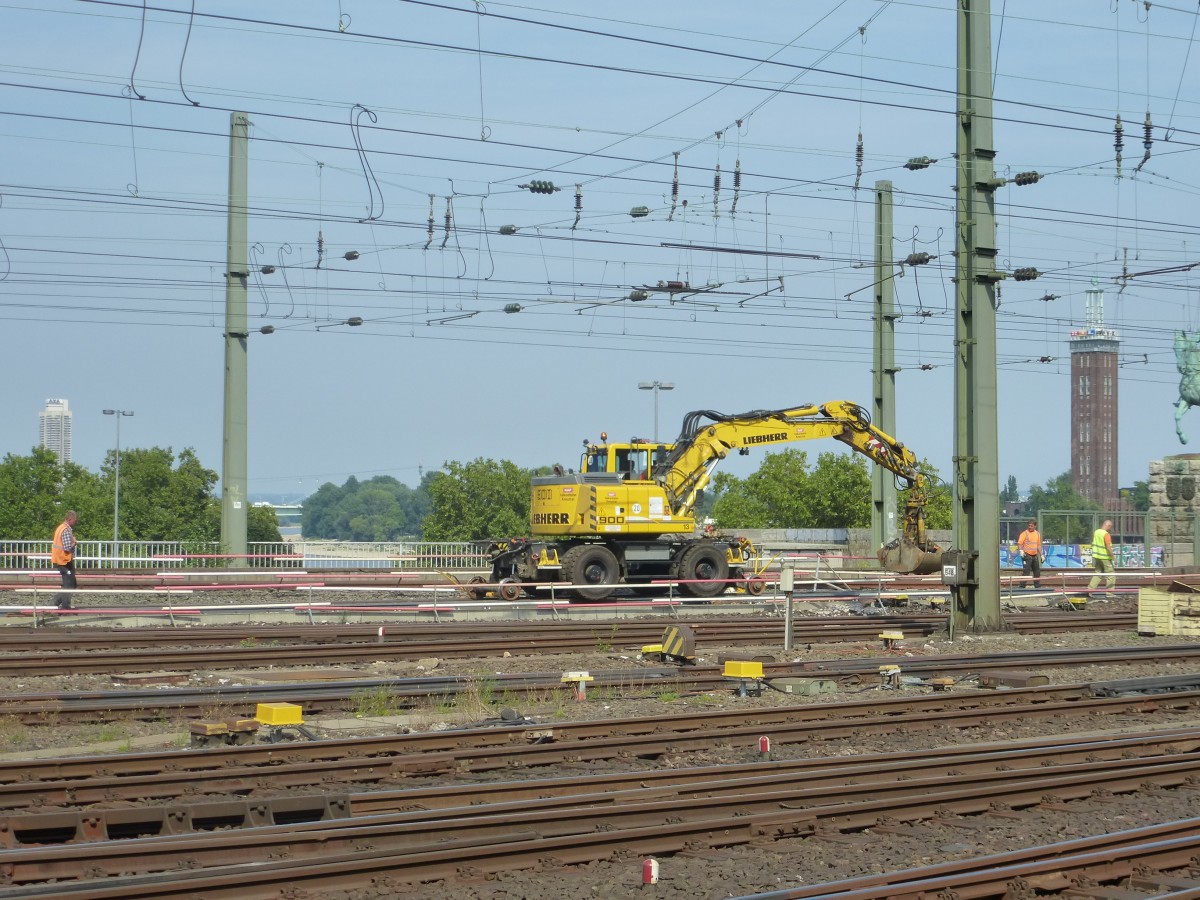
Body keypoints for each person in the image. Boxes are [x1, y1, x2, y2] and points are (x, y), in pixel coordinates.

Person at [51, 510, 78, 610]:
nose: (75, 522)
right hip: (64, 561)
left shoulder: (61, 528)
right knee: (69, 584)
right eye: (75, 520)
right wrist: (74, 543)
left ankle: (56, 603)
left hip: (62, 560)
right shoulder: (66, 530)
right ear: (70, 519)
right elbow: (67, 547)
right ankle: (65, 606)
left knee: (71, 583)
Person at [1088, 519, 1115, 597]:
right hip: (1105, 557)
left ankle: (1090, 590)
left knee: (1098, 573)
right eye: (1110, 527)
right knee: (1111, 575)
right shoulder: (1106, 534)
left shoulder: (1096, 532)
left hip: (1097, 557)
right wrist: (1113, 558)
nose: (1110, 529)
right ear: (1108, 526)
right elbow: (1108, 547)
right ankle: (1110, 593)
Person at [1016, 520, 1043, 588]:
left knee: (1037, 571)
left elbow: (1038, 545)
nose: (1030, 527)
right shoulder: (1024, 533)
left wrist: (1041, 555)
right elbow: (1020, 543)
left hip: (1034, 555)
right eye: (1029, 525)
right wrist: (1021, 551)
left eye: (1031, 526)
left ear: (1035, 526)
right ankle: (1022, 585)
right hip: (1027, 555)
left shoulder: (1037, 534)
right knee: (1026, 571)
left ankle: (1037, 585)